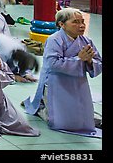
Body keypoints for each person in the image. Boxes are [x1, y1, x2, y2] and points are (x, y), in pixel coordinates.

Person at [23, 8, 102, 138]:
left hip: (79, 83)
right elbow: (53, 64)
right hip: (57, 83)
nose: (81, 25)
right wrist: (78, 59)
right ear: (61, 24)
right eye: (75, 22)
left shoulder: (86, 41)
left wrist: (89, 61)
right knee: (61, 120)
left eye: (82, 22)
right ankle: (42, 108)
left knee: (83, 116)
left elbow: (98, 62)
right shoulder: (54, 40)